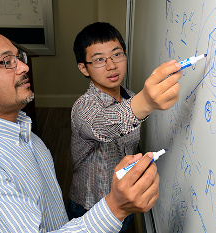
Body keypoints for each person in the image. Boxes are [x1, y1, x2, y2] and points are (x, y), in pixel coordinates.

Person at [0, 28, 172, 232]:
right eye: (6, 62)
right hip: (94, 206)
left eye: (18, 57)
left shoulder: (20, 128)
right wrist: (115, 207)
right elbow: (103, 125)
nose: (24, 67)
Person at [68, 22, 182, 231]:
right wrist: (145, 102)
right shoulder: (82, 108)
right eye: (99, 60)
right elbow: (103, 125)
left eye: (117, 54)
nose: (112, 65)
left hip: (126, 201)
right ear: (83, 68)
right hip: (90, 206)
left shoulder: (129, 96)